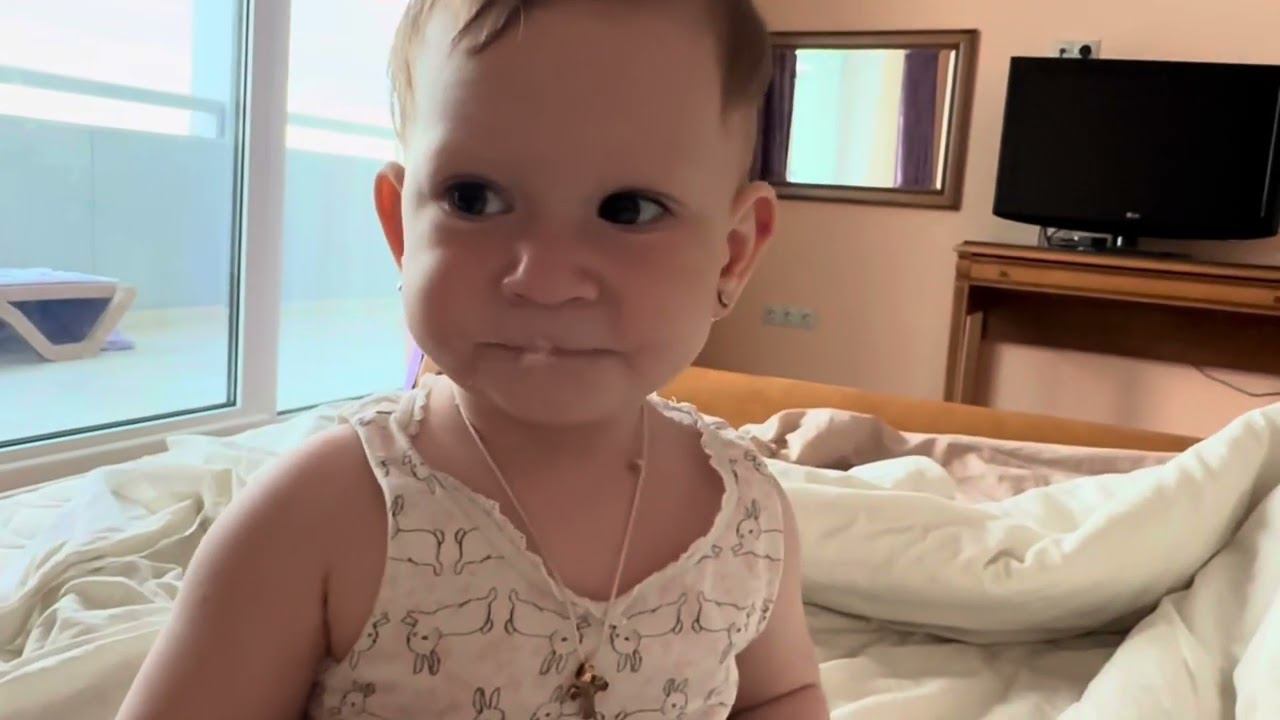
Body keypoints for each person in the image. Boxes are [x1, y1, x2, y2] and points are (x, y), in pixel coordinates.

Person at [116, 0, 826, 717]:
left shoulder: (747, 515)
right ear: (402, 229)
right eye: (474, 199)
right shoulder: (321, 513)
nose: (543, 279)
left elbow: (783, 693)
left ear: (732, 255)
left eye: (629, 210)